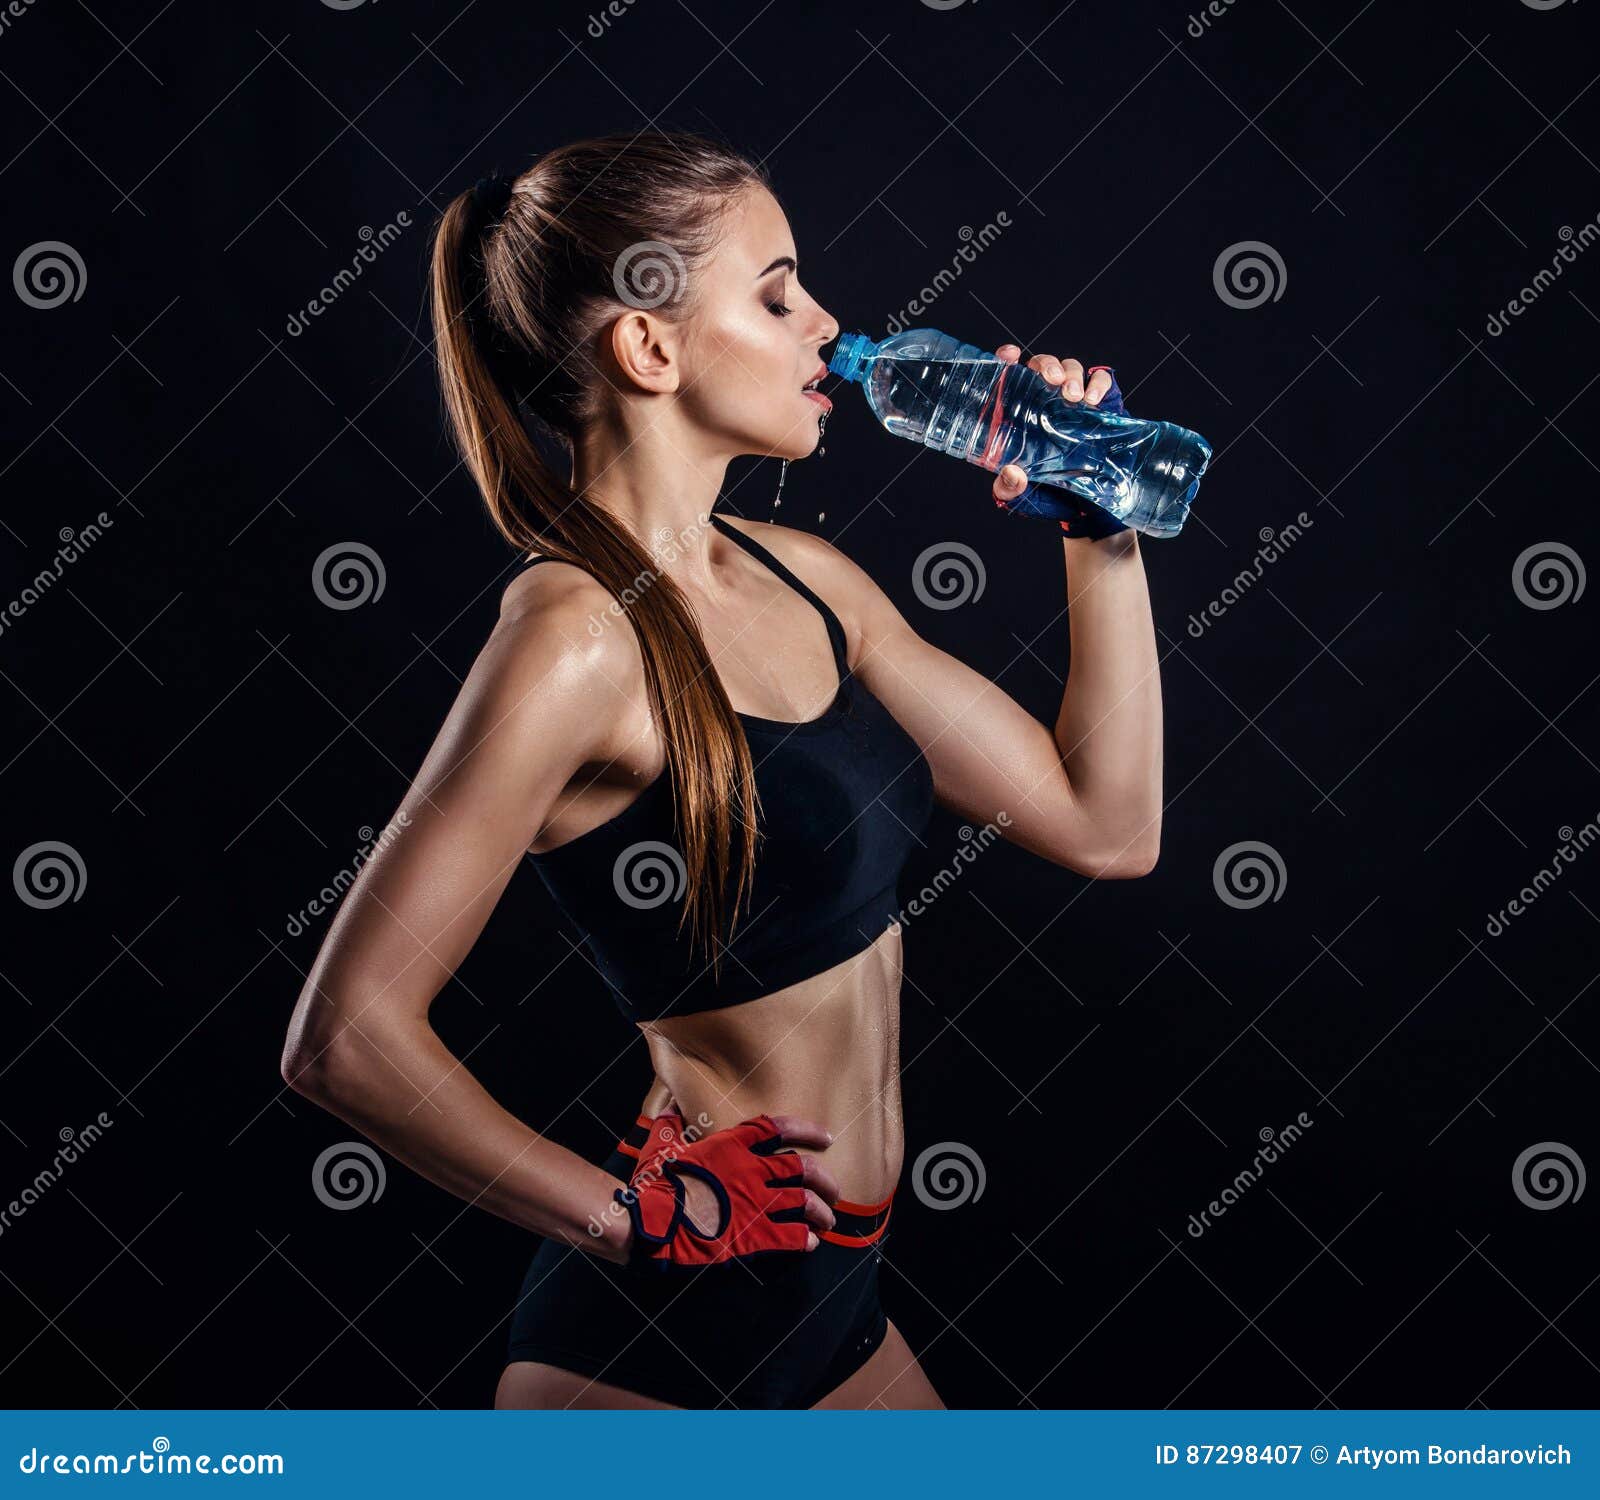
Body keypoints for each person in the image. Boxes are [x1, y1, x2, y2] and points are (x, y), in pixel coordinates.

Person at [279, 129, 1162, 1410]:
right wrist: (630, 1216)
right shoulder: (572, 642)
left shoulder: (810, 583)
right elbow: (342, 1039)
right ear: (649, 348)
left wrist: (1095, 521)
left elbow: (1105, 822)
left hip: (834, 1301)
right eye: (776, 293)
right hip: (665, 1348)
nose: (827, 324)